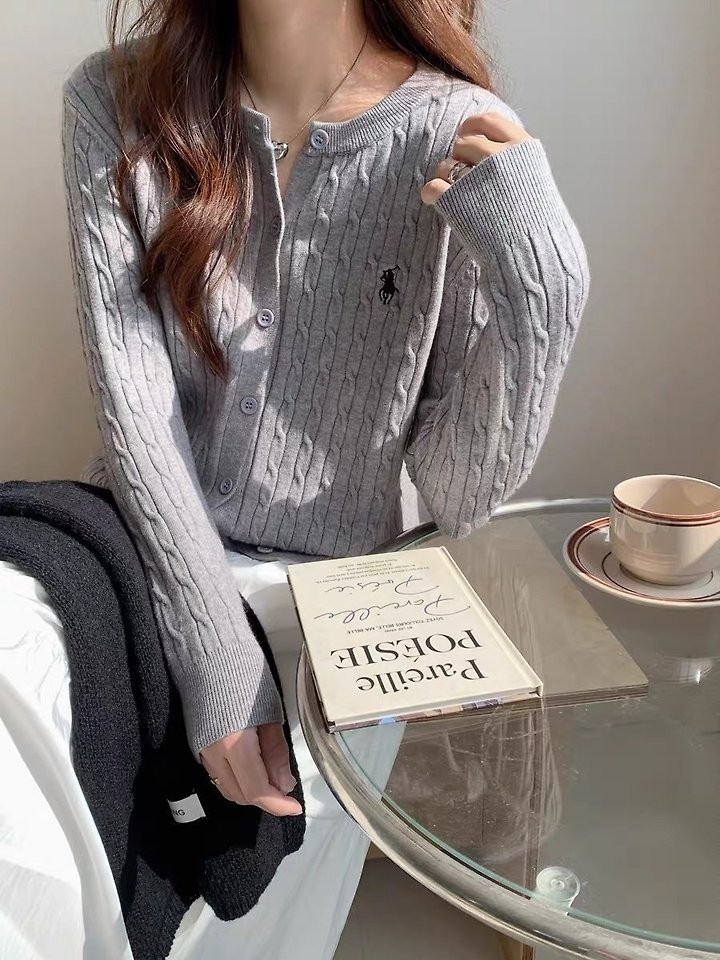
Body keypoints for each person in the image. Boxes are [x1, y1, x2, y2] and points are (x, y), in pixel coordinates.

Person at [62, 0, 589, 820]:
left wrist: (547, 287)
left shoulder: (456, 132)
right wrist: (216, 652)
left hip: (348, 608)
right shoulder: (115, 100)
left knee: (262, 845)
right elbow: (133, 406)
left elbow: (458, 494)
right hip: (148, 555)